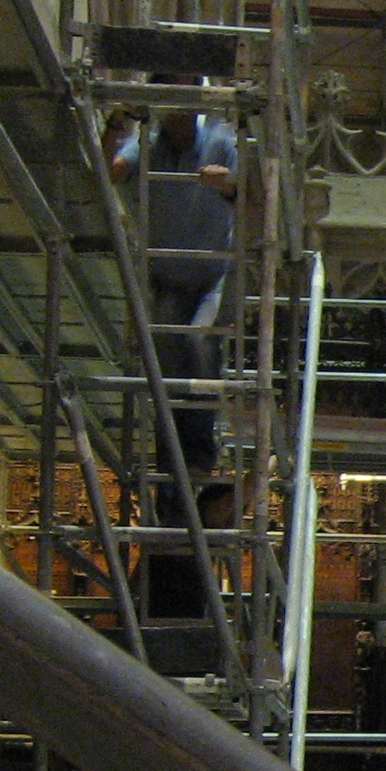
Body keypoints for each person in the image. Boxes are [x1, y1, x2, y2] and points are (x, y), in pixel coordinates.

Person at [107, 83, 240, 476]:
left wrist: (228, 183)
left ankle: (199, 453)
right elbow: (110, 172)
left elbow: (252, 196)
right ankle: (171, 460)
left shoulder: (219, 141)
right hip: (167, 277)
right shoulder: (148, 145)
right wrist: (115, 126)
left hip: (212, 276)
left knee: (200, 345)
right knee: (166, 366)